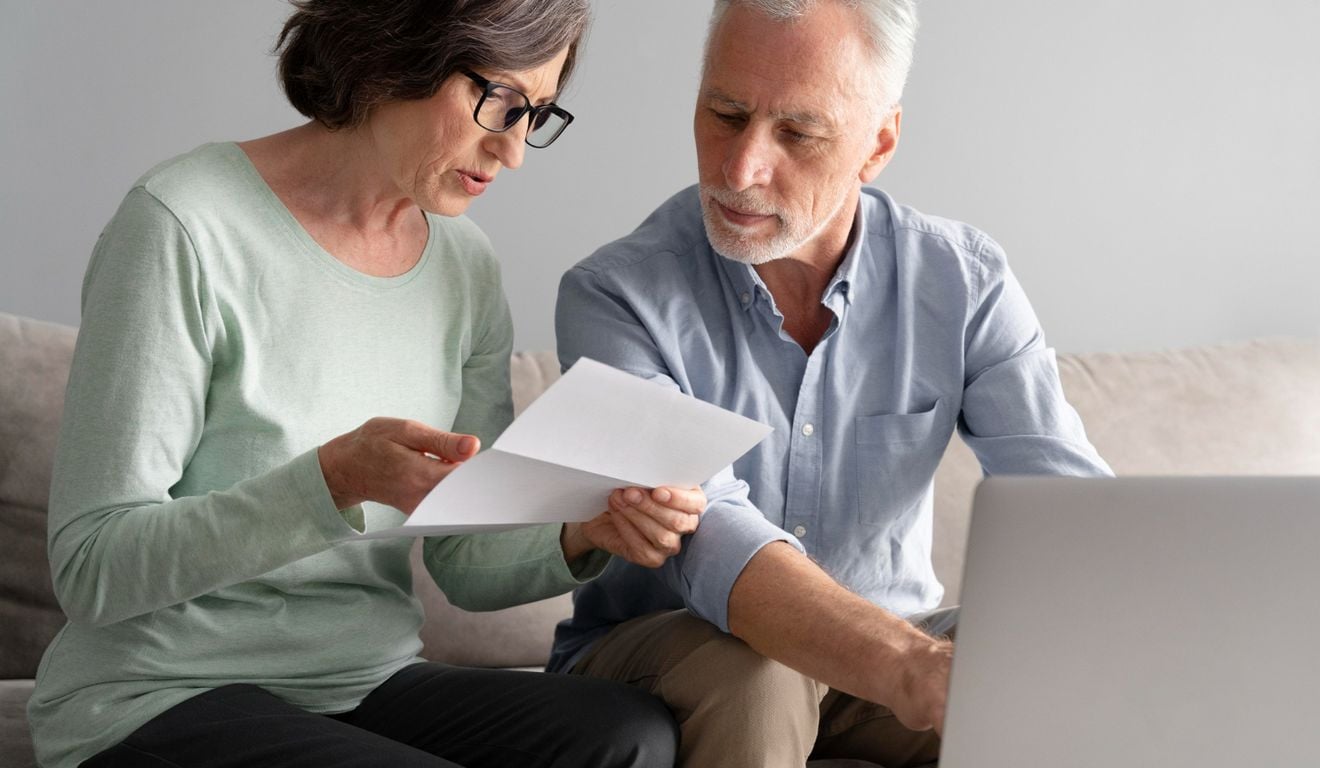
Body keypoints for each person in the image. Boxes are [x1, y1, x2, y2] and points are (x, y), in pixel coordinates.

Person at [27, 2, 704, 767]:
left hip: (360, 684)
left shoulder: (466, 267)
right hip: (158, 694)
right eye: (499, 103)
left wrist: (584, 533)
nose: (513, 150)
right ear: (395, 52)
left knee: (629, 735)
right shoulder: (184, 224)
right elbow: (93, 567)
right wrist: (330, 482)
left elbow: (464, 561)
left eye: (537, 115)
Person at [549, 0, 1114, 766]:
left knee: (1059, 668)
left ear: (878, 144)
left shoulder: (963, 280)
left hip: (889, 647)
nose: (741, 167)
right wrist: (909, 668)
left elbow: (1072, 511)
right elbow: (706, 533)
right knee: (759, 670)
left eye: (797, 133)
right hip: (672, 652)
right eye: (725, 113)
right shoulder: (615, 297)